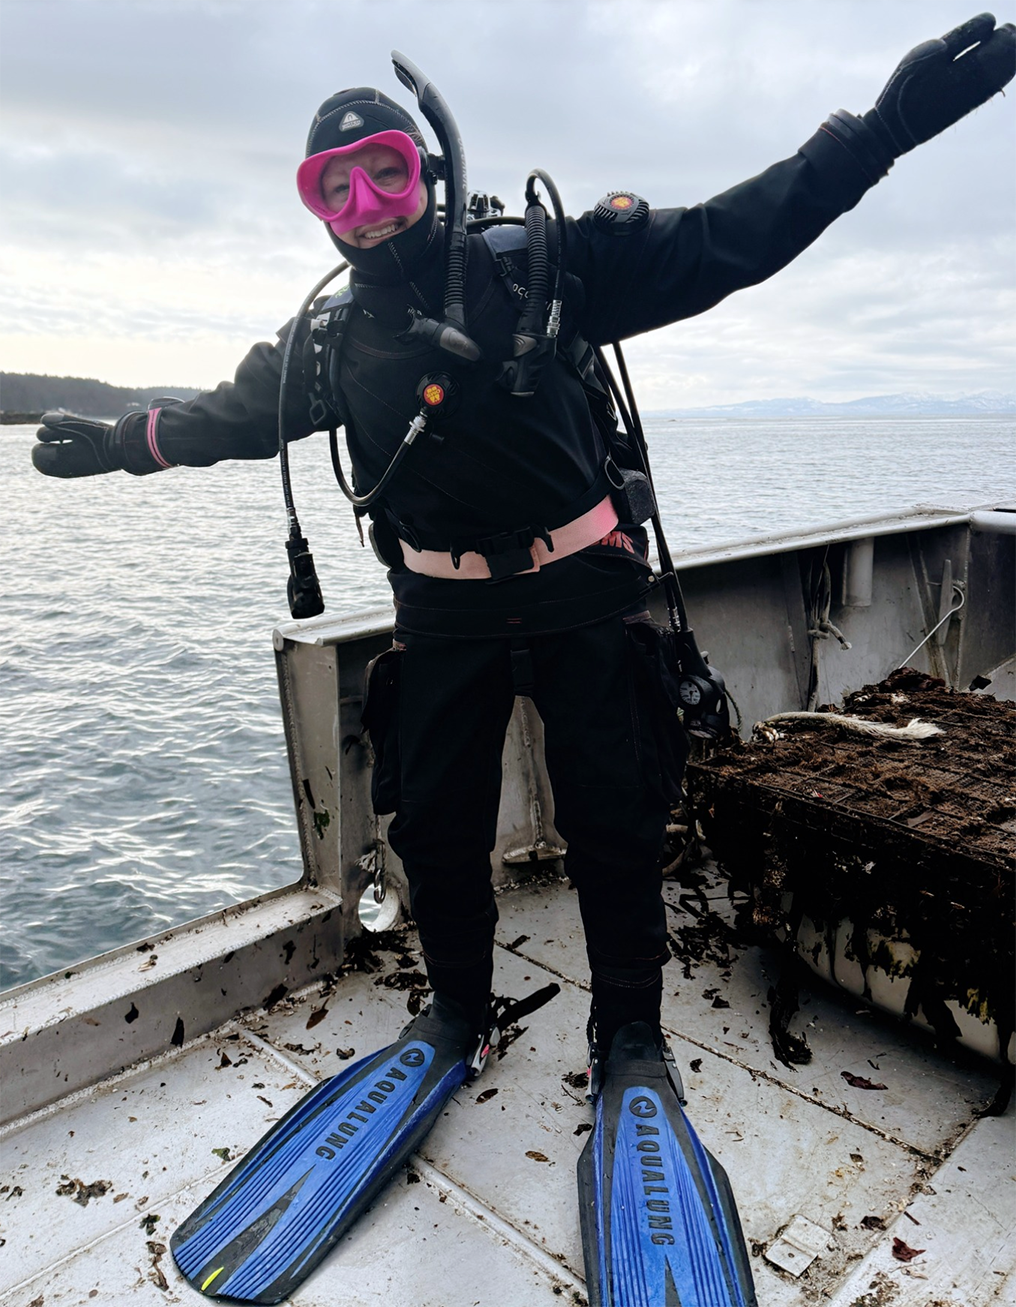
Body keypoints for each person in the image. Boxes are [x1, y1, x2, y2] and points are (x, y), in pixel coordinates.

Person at [34, 19, 1016, 1305]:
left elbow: (737, 234)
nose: (363, 208)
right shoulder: (329, 343)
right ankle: (453, 1012)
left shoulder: (548, 263)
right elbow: (221, 417)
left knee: (615, 823)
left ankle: (632, 1039)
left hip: (583, 593)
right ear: (311, 208)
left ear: (428, 171)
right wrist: (112, 442)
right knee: (434, 831)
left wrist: (879, 128)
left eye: (384, 172)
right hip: (435, 614)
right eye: (331, 188)